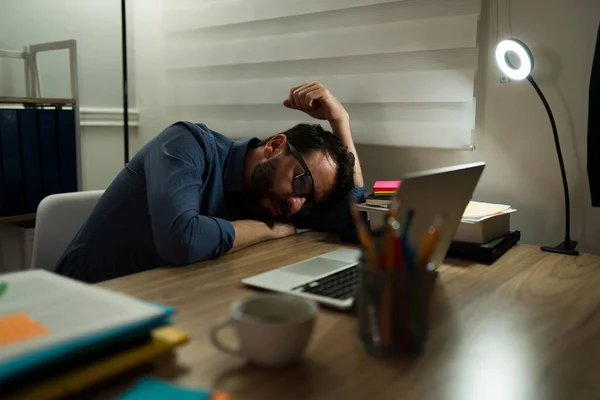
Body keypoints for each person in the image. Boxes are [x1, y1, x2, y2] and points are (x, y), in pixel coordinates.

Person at [55, 82, 366, 283]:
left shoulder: (272, 195)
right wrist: (265, 229)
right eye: (301, 184)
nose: (298, 205)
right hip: (85, 298)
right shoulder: (186, 143)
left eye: (310, 201)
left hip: (159, 296)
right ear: (275, 146)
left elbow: (358, 222)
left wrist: (341, 121)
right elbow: (182, 239)